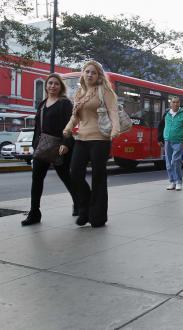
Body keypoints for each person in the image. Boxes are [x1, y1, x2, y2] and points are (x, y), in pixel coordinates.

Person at [63, 60, 120, 227]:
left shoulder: (104, 91)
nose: (90, 75)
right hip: (81, 138)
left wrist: (115, 129)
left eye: (93, 72)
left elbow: (113, 111)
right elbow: (75, 116)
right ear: (83, 73)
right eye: (87, 71)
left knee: (98, 177)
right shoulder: (79, 92)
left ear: (98, 75)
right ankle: (85, 208)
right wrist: (67, 128)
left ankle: (98, 216)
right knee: (74, 174)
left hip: (100, 139)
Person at [21, 73, 78, 226]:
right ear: (46, 85)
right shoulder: (42, 103)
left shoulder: (65, 103)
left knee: (66, 176)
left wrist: (66, 144)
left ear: (61, 87)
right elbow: (37, 128)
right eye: (50, 83)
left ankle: (78, 203)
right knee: (36, 179)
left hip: (60, 147)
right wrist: (35, 146)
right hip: (43, 147)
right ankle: (34, 213)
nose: (52, 86)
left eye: (56, 84)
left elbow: (69, 125)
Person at [157, 96, 183, 191]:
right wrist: (159, 139)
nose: (175, 104)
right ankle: (172, 182)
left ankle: (178, 182)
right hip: (167, 140)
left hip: (178, 141)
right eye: (173, 102)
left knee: (175, 161)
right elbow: (161, 126)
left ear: (179, 104)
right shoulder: (166, 113)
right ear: (170, 103)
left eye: (177, 102)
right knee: (168, 163)